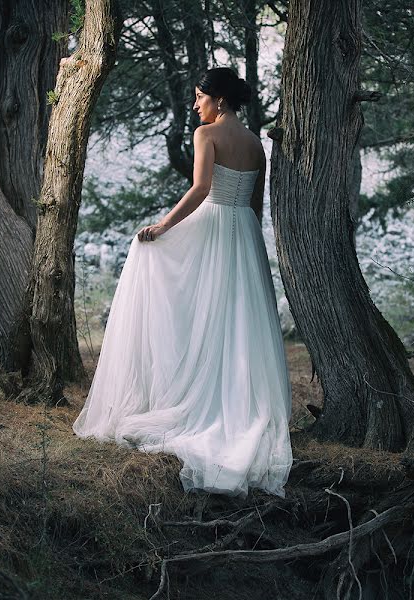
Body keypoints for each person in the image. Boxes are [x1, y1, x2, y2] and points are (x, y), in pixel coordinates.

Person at [72, 67, 292, 498]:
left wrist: (163, 226)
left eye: (199, 97)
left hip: (212, 224)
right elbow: (254, 204)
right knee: (239, 321)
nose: (196, 105)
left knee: (164, 270)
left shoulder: (205, 135)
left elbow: (201, 187)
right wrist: (243, 234)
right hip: (244, 233)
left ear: (219, 101)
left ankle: (194, 399)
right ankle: (240, 404)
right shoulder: (255, 145)